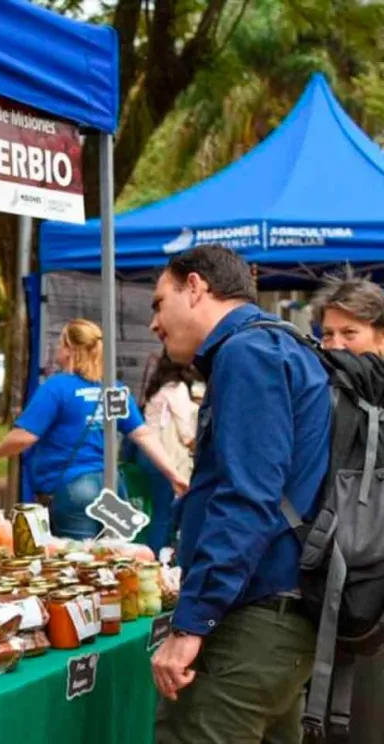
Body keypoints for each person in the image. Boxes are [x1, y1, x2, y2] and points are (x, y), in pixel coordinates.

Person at [149, 245, 330, 744]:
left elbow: (247, 499)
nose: (154, 325)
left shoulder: (247, 353)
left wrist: (189, 628)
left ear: (195, 287)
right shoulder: (282, 345)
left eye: (158, 303)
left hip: (255, 617)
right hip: (279, 618)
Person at [0, 319, 188, 540]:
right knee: (114, 557)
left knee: (79, 564)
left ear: (70, 350)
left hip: (74, 490)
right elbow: (142, 434)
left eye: (60, 344)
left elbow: (25, 436)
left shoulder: (56, 388)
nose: (57, 349)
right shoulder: (113, 390)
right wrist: (173, 474)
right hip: (112, 488)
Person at [310, 274, 384, 744]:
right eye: (328, 334)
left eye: (349, 333)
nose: (335, 345)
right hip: (333, 587)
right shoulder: (321, 393)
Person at [136, 353, 202, 555]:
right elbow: (185, 430)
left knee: (157, 508)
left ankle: (154, 553)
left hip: (146, 454)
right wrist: (196, 447)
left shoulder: (157, 388)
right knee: (164, 513)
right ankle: (156, 557)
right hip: (163, 456)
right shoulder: (177, 389)